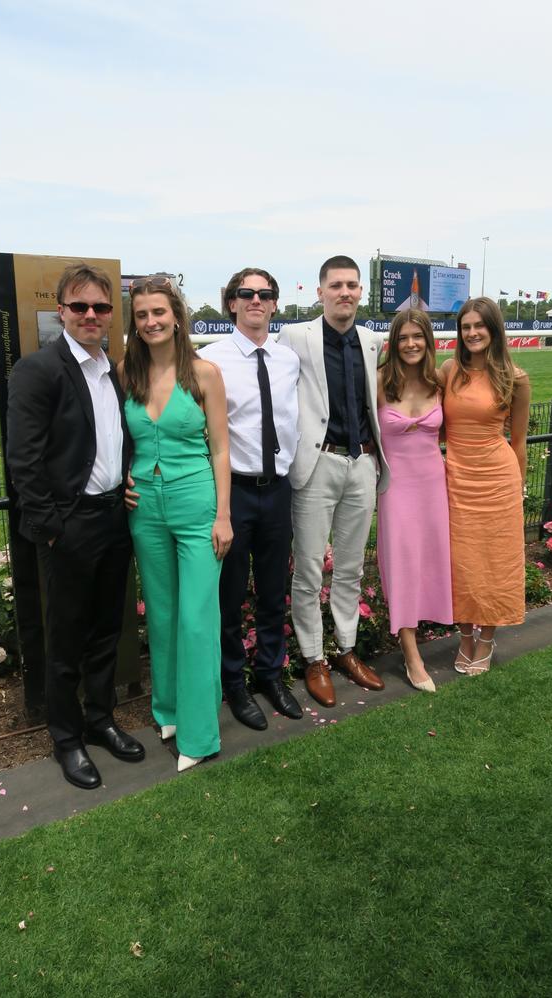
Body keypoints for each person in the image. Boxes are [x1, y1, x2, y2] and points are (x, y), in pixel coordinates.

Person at [6, 263, 145, 790]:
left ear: (111, 315)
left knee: (108, 629)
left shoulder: (116, 369)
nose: (91, 315)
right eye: (80, 306)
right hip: (70, 526)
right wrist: (52, 528)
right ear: (61, 310)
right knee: (65, 639)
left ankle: (100, 718)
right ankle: (66, 739)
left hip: (115, 518)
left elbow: (115, 440)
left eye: (101, 308)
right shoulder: (38, 370)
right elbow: (24, 461)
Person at [121, 276, 232, 772]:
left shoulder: (204, 373)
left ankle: (200, 734)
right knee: (162, 614)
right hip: (143, 506)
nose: (151, 322)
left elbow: (221, 449)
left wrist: (224, 514)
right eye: (142, 314)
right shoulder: (127, 372)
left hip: (196, 505)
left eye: (159, 312)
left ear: (177, 316)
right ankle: (166, 710)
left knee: (196, 618)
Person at [277, 255, 389, 707]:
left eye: (352, 285)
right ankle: (312, 658)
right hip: (317, 465)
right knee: (306, 568)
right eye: (336, 285)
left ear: (360, 292)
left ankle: (345, 649)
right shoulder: (295, 336)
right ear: (320, 292)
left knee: (350, 567)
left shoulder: (370, 340)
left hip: (362, 463)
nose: (345, 292)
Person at [199, 268, 301, 731]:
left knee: (273, 592)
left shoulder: (286, 360)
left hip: (278, 491)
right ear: (232, 303)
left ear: (275, 304)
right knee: (230, 595)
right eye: (247, 293)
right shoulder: (209, 360)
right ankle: (234, 684)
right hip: (234, 492)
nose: (256, 300)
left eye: (265, 294)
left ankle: (270, 674)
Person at [440, 297, 531, 675]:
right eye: (466, 327)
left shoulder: (516, 378)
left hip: (497, 481)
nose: (473, 333)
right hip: (456, 477)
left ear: (494, 330)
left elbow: (520, 443)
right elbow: (435, 426)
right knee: (460, 562)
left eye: (480, 326)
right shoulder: (448, 371)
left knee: (495, 562)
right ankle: (464, 636)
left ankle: (488, 637)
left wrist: (519, 489)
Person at [376, 310, 453, 692]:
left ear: (428, 341)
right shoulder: (379, 382)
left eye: (417, 337)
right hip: (395, 488)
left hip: (433, 484)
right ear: (394, 342)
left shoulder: (439, 382)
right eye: (404, 337)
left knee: (431, 561)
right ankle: (411, 654)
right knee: (402, 564)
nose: (411, 344)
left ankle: (432, 629)